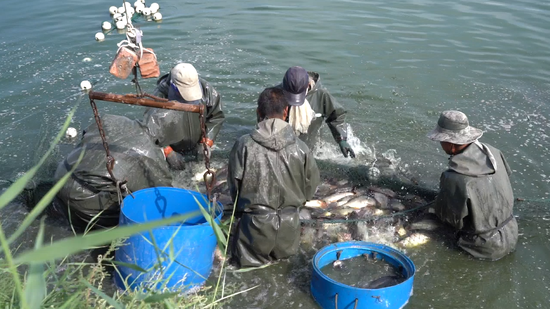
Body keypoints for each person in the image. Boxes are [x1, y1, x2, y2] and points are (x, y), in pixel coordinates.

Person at [228, 87, 321, 268]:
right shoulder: (301, 148)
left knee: (249, 275)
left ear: (258, 112)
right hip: (289, 230)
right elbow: (310, 189)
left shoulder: (244, 145)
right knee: (285, 269)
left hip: (254, 231)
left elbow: (235, 189)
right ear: (286, 112)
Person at [54, 114, 173, 230]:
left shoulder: (111, 119)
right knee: (131, 213)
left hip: (61, 176)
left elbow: (86, 135)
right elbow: (163, 193)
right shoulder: (149, 153)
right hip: (84, 199)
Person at [427, 110, 518, 260]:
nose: (440, 144)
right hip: (511, 232)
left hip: (482, 248)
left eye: (441, 141)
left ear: (451, 144)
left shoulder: (454, 177)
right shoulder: (494, 152)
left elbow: (449, 219)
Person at [142, 63, 225, 170]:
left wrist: (206, 142)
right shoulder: (158, 99)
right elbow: (150, 131)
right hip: (174, 148)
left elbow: (216, 116)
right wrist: (168, 152)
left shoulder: (207, 89)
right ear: (173, 86)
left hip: (198, 143)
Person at [277, 66, 355, 158]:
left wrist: (341, 140)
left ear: (308, 85)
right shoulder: (274, 95)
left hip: (310, 147)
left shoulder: (321, 95)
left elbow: (336, 116)